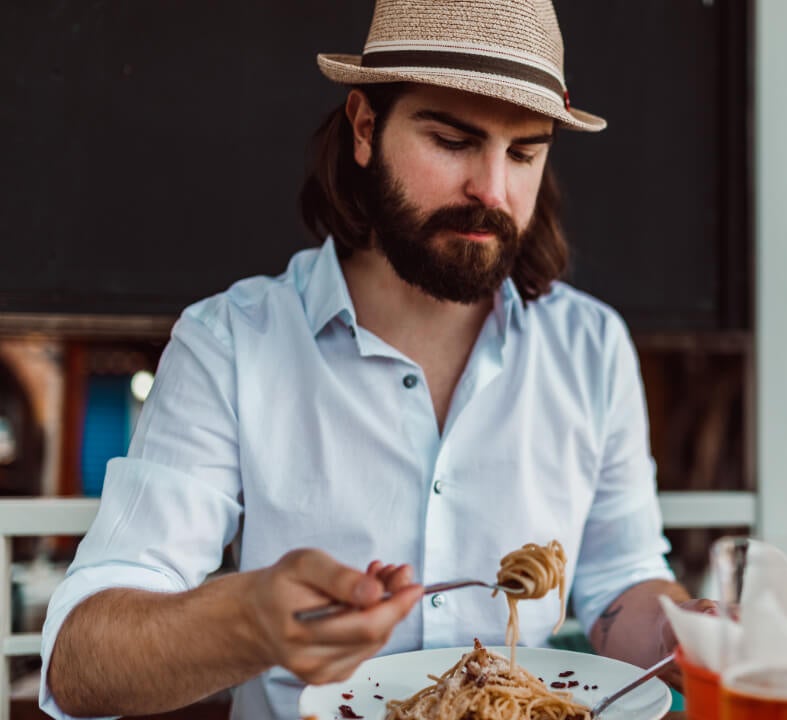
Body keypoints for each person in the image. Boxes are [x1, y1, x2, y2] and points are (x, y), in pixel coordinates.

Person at [40, 1, 707, 717]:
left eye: (524, 153)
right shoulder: (231, 343)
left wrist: (688, 629)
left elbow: (620, 583)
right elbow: (80, 665)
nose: (493, 190)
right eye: (452, 140)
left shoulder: (591, 348)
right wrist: (250, 622)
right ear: (364, 128)